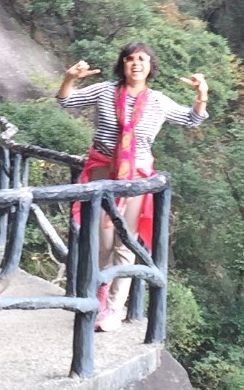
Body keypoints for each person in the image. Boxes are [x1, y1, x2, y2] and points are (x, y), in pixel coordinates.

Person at [57, 43, 208, 328]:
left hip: (136, 179)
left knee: (125, 242)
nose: (135, 64)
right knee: (102, 241)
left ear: (150, 66)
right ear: (122, 65)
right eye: (129, 59)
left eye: (142, 59)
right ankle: (96, 298)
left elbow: (193, 119)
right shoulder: (103, 91)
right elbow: (65, 101)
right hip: (102, 173)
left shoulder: (159, 101)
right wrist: (69, 78)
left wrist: (201, 95)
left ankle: (113, 308)